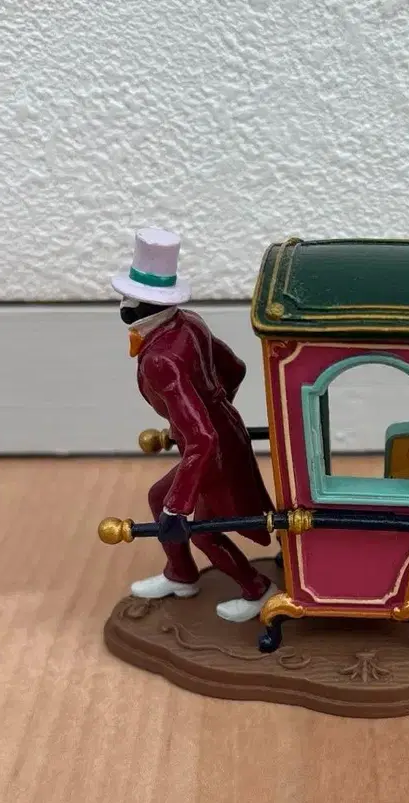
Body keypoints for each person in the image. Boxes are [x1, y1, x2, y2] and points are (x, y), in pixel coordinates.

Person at [111, 226, 278, 624]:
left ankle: (256, 588)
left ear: (140, 307)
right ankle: (181, 573)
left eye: (127, 300)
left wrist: (178, 507)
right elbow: (234, 369)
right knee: (158, 498)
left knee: (198, 526)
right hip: (225, 431)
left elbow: (202, 438)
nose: (122, 307)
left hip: (211, 449)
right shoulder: (189, 323)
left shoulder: (159, 360)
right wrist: (211, 408)